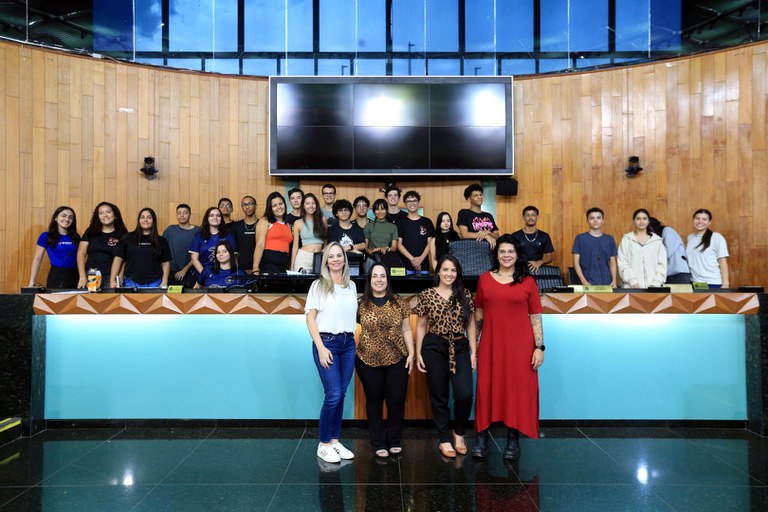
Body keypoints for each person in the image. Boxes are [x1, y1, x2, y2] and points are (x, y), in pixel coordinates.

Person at [473, 235, 544, 460]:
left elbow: (535, 316)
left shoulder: (528, 282)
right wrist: (474, 343)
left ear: (517, 254)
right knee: (486, 389)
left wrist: (540, 347)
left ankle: (513, 440)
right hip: (491, 344)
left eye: (510, 251)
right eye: (502, 251)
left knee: (516, 392)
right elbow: (479, 314)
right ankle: (482, 438)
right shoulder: (484, 279)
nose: (506, 255)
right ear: (496, 255)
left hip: (520, 347)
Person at [415, 254, 477, 458]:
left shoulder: (464, 294)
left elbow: (471, 324)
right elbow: (421, 325)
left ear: (457, 273)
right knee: (439, 396)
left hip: (460, 346)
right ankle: (444, 437)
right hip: (434, 345)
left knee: (465, 394)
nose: (449, 274)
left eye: (453, 270)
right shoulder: (427, 294)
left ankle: (458, 432)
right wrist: (418, 353)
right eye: (445, 269)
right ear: (438, 272)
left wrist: (473, 352)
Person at [305, 242, 358, 464]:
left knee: (341, 394)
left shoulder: (351, 285)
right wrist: (321, 347)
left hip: (348, 344)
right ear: (326, 260)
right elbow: (310, 318)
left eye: (339, 255)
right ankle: (324, 444)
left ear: (344, 259)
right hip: (327, 343)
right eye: (331, 256)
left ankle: (335, 441)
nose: (336, 259)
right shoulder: (319, 285)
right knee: (333, 394)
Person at [356, 263, 415, 458]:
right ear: (369, 279)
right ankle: (378, 442)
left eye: (383, 276)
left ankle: (394, 440)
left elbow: (407, 329)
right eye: (375, 276)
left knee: (396, 401)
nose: (379, 280)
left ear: (388, 280)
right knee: (374, 401)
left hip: (397, 359)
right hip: (367, 360)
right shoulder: (360, 303)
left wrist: (412, 353)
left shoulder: (399, 302)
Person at [110, 208, 171, 288]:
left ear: (153, 221)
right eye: (142, 217)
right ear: (139, 220)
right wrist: (112, 280)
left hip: (155, 282)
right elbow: (118, 259)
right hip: (131, 282)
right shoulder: (127, 238)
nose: (145, 220)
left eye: (149, 217)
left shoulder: (161, 241)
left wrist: (164, 281)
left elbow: (165, 263)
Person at [77, 202, 128, 289]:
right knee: (90, 298)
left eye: (108, 212)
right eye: (101, 213)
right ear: (98, 217)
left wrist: (120, 275)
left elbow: (126, 258)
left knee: (111, 298)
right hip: (92, 274)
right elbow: (81, 254)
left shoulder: (122, 234)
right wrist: (82, 276)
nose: (105, 215)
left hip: (111, 276)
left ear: (115, 215)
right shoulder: (91, 231)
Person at [28, 206, 80, 289]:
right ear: (56, 217)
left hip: (75, 275)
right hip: (57, 275)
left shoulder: (76, 237)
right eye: (63, 216)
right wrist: (32, 282)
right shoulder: (46, 236)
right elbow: (37, 258)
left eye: (70, 217)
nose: (67, 219)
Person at [617, 209, 667, 288]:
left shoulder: (657, 241)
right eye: (638, 219)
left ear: (648, 221)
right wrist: (632, 281)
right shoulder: (626, 240)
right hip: (631, 287)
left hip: (653, 288)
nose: (641, 221)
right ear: (634, 221)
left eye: (644, 218)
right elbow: (622, 263)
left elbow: (662, 265)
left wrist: (656, 283)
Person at [571, 207, 618, 287]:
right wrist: (583, 281)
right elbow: (576, 262)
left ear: (603, 221)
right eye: (592, 218)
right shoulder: (580, 238)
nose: (595, 220)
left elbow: (612, 262)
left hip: (607, 283)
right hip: (587, 283)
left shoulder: (609, 239)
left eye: (598, 218)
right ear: (587, 221)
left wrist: (614, 280)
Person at [685, 209, 730, 288]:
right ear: (693, 220)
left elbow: (722, 261)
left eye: (704, 219)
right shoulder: (690, 237)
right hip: (695, 283)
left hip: (712, 282)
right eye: (697, 218)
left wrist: (725, 284)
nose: (700, 221)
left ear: (709, 222)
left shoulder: (717, 237)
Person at [189, 207, 237, 278]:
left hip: (224, 276)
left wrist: (232, 274)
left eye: (218, 215)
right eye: (211, 215)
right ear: (207, 218)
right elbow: (194, 259)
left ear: (221, 218)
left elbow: (234, 258)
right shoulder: (199, 236)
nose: (215, 218)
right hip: (203, 275)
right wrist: (206, 275)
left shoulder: (228, 236)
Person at [253, 191, 292, 274]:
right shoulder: (265, 221)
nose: (278, 207)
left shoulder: (288, 225)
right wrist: (255, 267)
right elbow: (259, 245)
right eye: (274, 205)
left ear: (285, 205)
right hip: (269, 262)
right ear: (270, 208)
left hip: (284, 264)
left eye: (280, 204)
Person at [396, 190, 434, 274]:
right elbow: (399, 244)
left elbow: (430, 243)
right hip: (406, 266)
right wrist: (413, 260)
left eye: (414, 201)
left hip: (424, 265)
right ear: (405, 203)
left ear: (418, 202)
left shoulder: (427, 222)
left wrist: (420, 259)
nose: (412, 203)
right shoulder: (400, 223)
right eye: (409, 201)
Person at [162, 204, 200, 287]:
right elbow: (162, 251)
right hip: (171, 274)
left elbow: (199, 254)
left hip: (191, 272)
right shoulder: (170, 230)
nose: (182, 215)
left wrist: (184, 270)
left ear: (190, 214)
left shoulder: (198, 231)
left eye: (185, 213)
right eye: (179, 213)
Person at [510, 206, 555, 273]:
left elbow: (549, 257)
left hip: (537, 270)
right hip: (519, 271)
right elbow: (510, 254)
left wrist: (540, 262)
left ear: (537, 217)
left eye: (533, 215)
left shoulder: (544, 236)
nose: (530, 218)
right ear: (523, 217)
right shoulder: (515, 236)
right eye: (528, 215)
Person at [291, 193, 328, 272]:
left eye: (313, 203)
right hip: (303, 258)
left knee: (320, 280)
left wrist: (324, 251)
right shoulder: (298, 223)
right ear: (303, 206)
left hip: (319, 258)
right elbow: (295, 246)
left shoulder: (323, 220)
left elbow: (325, 240)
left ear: (316, 205)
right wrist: (292, 266)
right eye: (307, 203)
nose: (311, 206)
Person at [456, 183, 500, 249]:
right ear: (469, 199)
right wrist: (486, 236)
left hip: (490, 250)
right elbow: (464, 234)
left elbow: (497, 236)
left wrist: (487, 232)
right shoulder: (464, 213)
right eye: (475, 195)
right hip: (473, 250)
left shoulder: (489, 215)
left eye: (480, 194)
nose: (479, 197)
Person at [649, 217, 691, 284]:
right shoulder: (656, 237)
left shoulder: (668, 231)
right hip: (668, 273)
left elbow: (667, 252)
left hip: (678, 273)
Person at [363, 199, 400, 268]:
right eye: (377, 209)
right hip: (372, 259)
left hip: (388, 259)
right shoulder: (368, 226)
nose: (380, 212)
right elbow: (365, 246)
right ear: (374, 211)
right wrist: (372, 251)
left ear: (386, 210)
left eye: (382, 209)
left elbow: (394, 247)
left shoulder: (393, 227)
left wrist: (386, 248)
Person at [231, 196, 258, 272]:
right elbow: (233, 249)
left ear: (256, 206)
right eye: (244, 205)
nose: (247, 207)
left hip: (260, 267)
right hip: (241, 268)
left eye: (250, 204)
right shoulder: (236, 226)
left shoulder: (262, 224)